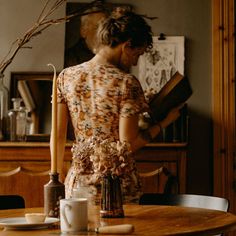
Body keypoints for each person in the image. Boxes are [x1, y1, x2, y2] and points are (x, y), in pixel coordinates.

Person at [55, 10, 182, 203]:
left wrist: (56, 177)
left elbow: (57, 135)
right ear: (126, 46)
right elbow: (128, 144)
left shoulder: (66, 76)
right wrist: (163, 123)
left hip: (78, 184)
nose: (135, 61)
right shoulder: (126, 83)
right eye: (137, 54)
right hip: (117, 186)